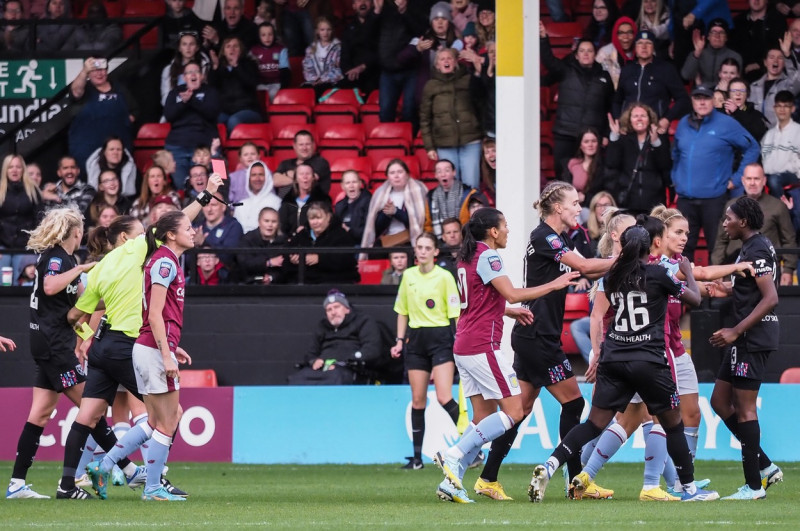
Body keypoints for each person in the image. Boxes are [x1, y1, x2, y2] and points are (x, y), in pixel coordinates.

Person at [57, 174, 222, 500]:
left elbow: (75, 316)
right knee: (165, 416)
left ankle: (69, 483)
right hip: (133, 343)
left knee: (88, 416)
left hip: (105, 346)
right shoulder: (138, 251)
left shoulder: (100, 267)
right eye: (140, 233)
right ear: (124, 238)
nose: (147, 237)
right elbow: (173, 224)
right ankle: (150, 480)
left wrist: (87, 337)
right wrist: (205, 198)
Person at [527, 225, 719, 503]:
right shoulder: (658, 273)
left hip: (614, 358)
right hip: (648, 359)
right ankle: (689, 489)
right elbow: (695, 298)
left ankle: (550, 465)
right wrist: (688, 270)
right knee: (673, 425)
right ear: (649, 249)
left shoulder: (612, 275)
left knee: (593, 424)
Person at [476, 182, 614, 499]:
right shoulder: (546, 236)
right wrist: (626, 259)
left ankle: (487, 478)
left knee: (520, 409)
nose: (578, 207)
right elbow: (584, 267)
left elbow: (588, 269)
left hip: (532, 333)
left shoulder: (553, 237)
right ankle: (574, 483)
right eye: (574, 202)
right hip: (539, 335)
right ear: (557, 208)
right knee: (575, 403)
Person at [433, 207, 579, 503]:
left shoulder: (465, 256)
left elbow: (480, 301)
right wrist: (553, 284)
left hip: (464, 345)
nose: (509, 230)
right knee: (514, 412)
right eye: (506, 225)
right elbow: (511, 292)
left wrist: (508, 311)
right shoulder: (489, 255)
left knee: (482, 419)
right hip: (482, 346)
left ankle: (452, 481)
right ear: (494, 231)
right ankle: (455, 453)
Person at [85, 209, 200, 502]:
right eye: (188, 227)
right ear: (171, 234)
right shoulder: (165, 262)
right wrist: (166, 353)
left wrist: (171, 346)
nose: (194, 231)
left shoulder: (163, 260)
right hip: (152, 349)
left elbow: (153, 313)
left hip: (148, 346)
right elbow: (157, 314)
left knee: (152, 421)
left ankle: (103, 465)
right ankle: (152, 488)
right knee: (169, 419)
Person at [5, 207, 95, 499]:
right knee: (92, 407)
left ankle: (17, 484)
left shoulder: (63, 259)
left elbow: (83, 303)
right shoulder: (59, 259)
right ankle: (124, 470)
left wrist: (88, 331)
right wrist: (81, 270)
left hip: (49, 342)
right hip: (54, 344)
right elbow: (50, 285)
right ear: (77, 232)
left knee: (40, 414)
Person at [709, 196, 784, 499]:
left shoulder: (756, 248)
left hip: (751, 337)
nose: (725, 222)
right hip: (745, 338)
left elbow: (770, 297)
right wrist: (727, 288)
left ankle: (753, 487)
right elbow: (752, 288)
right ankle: (765, 465)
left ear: (743, 221)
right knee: (718, 401)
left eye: (728, 218)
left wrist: (735, 330)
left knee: (745, 409)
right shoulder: (753, 246)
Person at [390, 232, 461, 470]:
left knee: (443, 396)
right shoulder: (408, 276)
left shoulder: (444, 277)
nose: (421, 251)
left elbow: (455, 314)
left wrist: (459, 341)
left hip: (440, 337)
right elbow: (402, 310)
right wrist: (400, 340)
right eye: (418, 247)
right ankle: (417, 458)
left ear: (435, 252)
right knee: (418, 400)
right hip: (416, 340)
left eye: (426, 247)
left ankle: (473, 449)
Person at [671, 85, 760, 261]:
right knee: (681, 251)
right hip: (685, 199)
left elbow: (753, 147)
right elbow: (676, 154)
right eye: (697, 98)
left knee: (716, 247)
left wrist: (737, 179)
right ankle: (680, 288)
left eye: (706, 97)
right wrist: (676, 178)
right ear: (692, 101)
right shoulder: (682, 124)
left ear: (713, 100)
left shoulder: (726, 123)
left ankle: (715, 287)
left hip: (713, 199)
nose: (702, 102)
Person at [540, 21, 614, 178]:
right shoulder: (565, 70)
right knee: (563, 175)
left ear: (595, 55)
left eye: (589, 51)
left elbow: (610, 107)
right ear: (576, 54)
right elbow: (549, 60)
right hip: (565, 133)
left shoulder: (604, 76)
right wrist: (543, 39)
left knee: (591, 177)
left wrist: (606, 133)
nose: (586, 54)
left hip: (591, 136)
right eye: (582, 51)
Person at [712, 163, 797, 286]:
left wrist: (788, 270)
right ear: (743, 180)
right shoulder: (731, 205)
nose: (752, 183)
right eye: (749, 178)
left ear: (764, 181)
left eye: (756, 179)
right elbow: (721, 240)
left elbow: (789, 240)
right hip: (734, 268)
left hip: (766, 269)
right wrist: (717, 269)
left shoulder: (778, 206)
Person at [419, 47, 483, 189]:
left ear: (455, 62)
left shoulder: (467, 80)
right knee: (451, 186)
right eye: (442, 59)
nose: (446, 61)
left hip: (471, 139)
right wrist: (429, 146)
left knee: (471, 185)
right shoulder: (430, 86)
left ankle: (473, 212)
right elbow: (425, 118)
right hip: (444, 143)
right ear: (437, 65)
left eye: (449, 58)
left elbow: (481, 104)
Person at [290, 290, 383, 385]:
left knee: (334, 378)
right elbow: (311, 353)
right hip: (322, 369)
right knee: (296, 379)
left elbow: (372, 349)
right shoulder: (322, 326)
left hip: (348, 368)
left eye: (337, 307)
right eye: (329, 309)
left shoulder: (363, 321)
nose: (333, 312)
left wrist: (344, 362)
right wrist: (314, 361)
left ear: (347, 309)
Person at [68, 57, 138, 174]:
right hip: (86, 151)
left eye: (102, 70)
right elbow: (76, 91)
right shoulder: (85, 88)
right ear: (89, 73)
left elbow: (134, 110)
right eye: (95, 70)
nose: (99, 73)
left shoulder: (119, 88)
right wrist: (84, 71)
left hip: (116, 153)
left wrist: (126, 121)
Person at [612, 30, 690, 134]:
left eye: (648, 43)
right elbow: (617, 101)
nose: (644, 47)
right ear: (635, 47)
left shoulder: (666, 69)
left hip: (656, 128)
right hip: (629, 129)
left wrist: (667, 119)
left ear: (653, 47)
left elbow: (683, 98)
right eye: (640, 43)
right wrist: (619, 121)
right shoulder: (627, 70)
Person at [604, 103, 672, 215]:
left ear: (650, 119)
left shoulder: (660, 139)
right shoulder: (623, 139)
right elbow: (612, 163)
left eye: (643, 116)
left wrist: (655, 143)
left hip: (653, 203)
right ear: (629, 120)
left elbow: (665, 165)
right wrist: (615, 137)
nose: (639, 118)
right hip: (628, 201)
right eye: (635, 116)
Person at [163, 61, 221, 188]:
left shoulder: (211, 91)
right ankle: (187, 207)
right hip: (177, 147)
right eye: (189, 72)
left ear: (202, 76)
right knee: (182, 187)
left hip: (205, 148)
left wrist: (192, 100)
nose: (193, 74)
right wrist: (183, 102)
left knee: (219, 182)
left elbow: (212, 113)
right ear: (184, 77)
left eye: (196, 71)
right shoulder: (175, 92)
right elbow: (169, 116)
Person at [360, 159, 428, 252]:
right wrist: (386, 214)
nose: (396, 176)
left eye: (400, 172)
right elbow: (375, 228)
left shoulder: (418, 191)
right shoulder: (380, 194)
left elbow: (419, 222)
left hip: (410, 239)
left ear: (407, 174)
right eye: (392, 173)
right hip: (388, 240)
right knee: (373, 252)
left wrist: (396, 212)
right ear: (388, 177)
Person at [287, 201, 358, 284]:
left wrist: (320, 259)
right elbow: (287, 254)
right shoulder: (302, 234)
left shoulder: (341, 235)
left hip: (333, 283)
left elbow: (347, 260)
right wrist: (293, 258)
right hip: (304, 284)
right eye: (312, 218)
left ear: (328, 217)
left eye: (319, 218)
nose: (315, 222)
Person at [208, 36, 263, 134]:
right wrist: (215, 68)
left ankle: (234, 149)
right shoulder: (219, 68)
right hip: (226, 111)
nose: (232, 49)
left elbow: (251, 82)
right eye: (228, 46)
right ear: (223, 51)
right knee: (212, 122)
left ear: (241, 50)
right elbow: (212, 87)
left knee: (233, 121)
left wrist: (236, 66)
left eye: (235, 46)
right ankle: (216, 149)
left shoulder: (250, 64)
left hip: (248, 109)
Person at [0, 154, 43, 278]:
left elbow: (40, 220)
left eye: (18, 167)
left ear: (23, 169)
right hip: (2, 246)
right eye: (10, 167)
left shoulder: (33, 191)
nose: (14, 170)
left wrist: (34, 247)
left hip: (26, 245)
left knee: (22, 279)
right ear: (5, 170)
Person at [424, 159, 485, 240]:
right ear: (435, 175)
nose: (443, 174)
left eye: (447, 170)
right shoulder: (431, 196)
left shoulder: (469, 193)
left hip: (465, 239)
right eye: (439, 171)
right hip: (440, 242)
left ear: (454, 172)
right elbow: (428, 224)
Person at [729, 0, 787, 83]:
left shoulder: (777, 21)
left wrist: (760, 64)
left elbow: (780, 50)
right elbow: (732, 49)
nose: (756, 0)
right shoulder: (738, 21)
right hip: (740, 75)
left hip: (768, 76)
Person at [760, 91, 800, 200]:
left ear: (793, 109)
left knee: (773, 180)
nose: (782, 109)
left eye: (786, 106)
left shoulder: (798, 131)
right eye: (779, 106)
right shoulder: (769, 134)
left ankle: (781, 211)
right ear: (774, 108)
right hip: (769, 175)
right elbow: (763, 157)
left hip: (792, 175)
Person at [749, 43, 800, 127]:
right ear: (765, 62)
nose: (775, 61)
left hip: (779, 135)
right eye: (771, 57)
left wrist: (787, 56)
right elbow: (745, 109)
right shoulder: (753, 86)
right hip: (756, 136)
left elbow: (797, 80)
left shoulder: (788, 84)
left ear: (784, 63)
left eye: (780, 58)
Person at [680, 18, 742, 88]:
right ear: (708, 36)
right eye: (713, 32)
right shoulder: (698, 53)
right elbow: (686, 75)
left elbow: (737, 83)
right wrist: (697, 53)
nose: (717, 36)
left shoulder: (735, 56)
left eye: (721, 33)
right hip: (700, 95)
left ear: (726, 37)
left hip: (725, 95)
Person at [272, 130, 332, 198]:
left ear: (313, 145)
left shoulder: (320, 162)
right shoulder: (285, 163)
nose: (304, 148)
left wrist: (286, 175)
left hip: (314, 204)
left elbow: (307, 180)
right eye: (301, 144)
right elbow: (275, 181)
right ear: (294, 146)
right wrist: (298, 178)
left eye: (307, 144)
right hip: (286, 205)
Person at [160, 31, 211, 110]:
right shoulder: (169, 70)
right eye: (184, 44)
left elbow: (209, 94)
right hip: (177, 109)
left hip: (199, 109)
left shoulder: (205, 66)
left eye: (191, 44)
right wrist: (181, 101)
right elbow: (165, 98)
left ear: (197, 47)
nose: (188, 47)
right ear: (179, 48)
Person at [236, 206, 287, 284]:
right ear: (259, 222)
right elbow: (243, 262)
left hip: (276, 286)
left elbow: (285, 269)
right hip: (249, 284)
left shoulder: (283, 241)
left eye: (274, 221)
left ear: (278, 224)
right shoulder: (247, 239)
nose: (270, 225)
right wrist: (268, 263)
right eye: (266, 221)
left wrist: (271, 277)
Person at [339, 0, 380, 95]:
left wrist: (363, 67)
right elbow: (345, 55)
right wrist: (349, 71)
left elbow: (380, 53)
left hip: (375, 73)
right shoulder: (349, 29)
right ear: (353, 6)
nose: (362, 3)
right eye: (358, 0)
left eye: (366, 0)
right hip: (354, 75)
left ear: (373, 4)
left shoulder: (380, 25)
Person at [278, 163, 330, 238]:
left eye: (308, 174)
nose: (305, 177)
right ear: (296, 179)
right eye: (301, 174)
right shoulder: (287, 201)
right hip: (291, 244)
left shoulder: (322, 200)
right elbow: (282, 226)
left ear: (313, 178)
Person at [561, 127, 606, 211]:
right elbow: (565, 189)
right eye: (586, 141)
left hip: (596, 209)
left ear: (598, 144)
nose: (590, 144)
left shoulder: (604, 166)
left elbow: (607, 192)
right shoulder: (572, 164)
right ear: (580, 145)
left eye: (593, 141)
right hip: (573, 208)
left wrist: (585, 198)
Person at [233, 161, 281, 233]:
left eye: (261, 174)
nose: (257, 178)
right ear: (249, 178)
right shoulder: (241, 204)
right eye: (253, 175)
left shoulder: (276, 202)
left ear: (267, 177)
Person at [302, 16, 343, 98]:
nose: (325, 33)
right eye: (322, 30)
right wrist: (315, 79)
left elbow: (339, 69)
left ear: (332, 31)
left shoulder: (338, 48)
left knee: (319, 90)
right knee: (304, 90)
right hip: (314, 82)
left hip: (331, 82)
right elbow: (307, 68)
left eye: (328, 29)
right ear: (317, 31)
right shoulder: (311, 49)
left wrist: (323, 79)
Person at [251, 22, 290, 101]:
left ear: (274, 35)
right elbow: (250, 71)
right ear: (259, 36)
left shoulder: (281, 49)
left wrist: (283, 88)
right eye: (263, 35)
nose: (267, 38)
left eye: (270, 34)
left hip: (276, 83)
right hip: (260, 84)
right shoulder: (253, 51)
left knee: (273, 94)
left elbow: (285, 71)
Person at [595, 16, 637, 89]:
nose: (625, 37)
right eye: (621, 33)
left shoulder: (642, 52)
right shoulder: (605, 53)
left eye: (629, 32)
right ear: (615, 34)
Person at [722, 78, 769, 142]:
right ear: (728, 94)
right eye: (733, 90)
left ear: (747, 94)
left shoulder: (756, 115)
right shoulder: (720, 113)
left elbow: (758, 135)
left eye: (742, 90)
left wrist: (737, 112)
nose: (738, 93)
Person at [334, 169, 371, 243]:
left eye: (354, 182)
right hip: (344, 244)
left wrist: (349, 230)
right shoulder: (339, 206)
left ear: (360, 184)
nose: (351, 186)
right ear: (342, 186)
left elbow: (369, 232)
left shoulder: (368, 202)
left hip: (362, 244)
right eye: (347, 183)